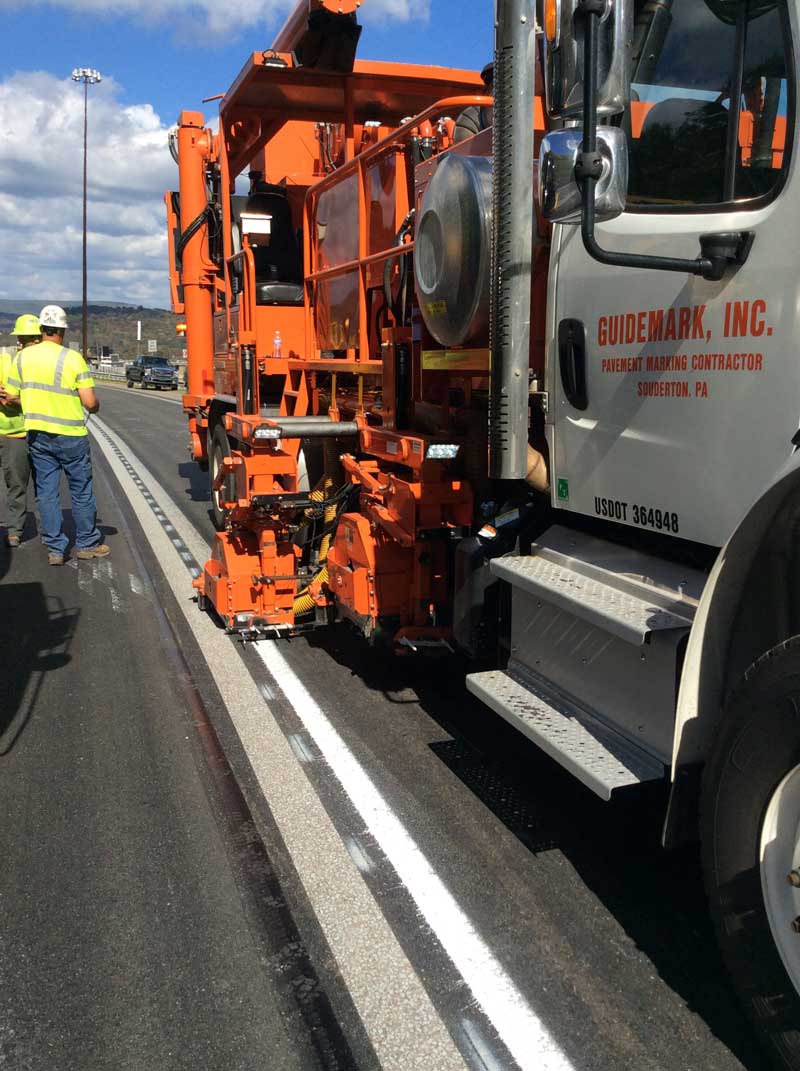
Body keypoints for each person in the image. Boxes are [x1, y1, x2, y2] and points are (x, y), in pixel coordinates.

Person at [5, 305, 109, 566]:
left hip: (38, 435)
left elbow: (11, 396)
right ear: (62, 330)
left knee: (47, 492)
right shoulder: (72, 359)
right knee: (81, 491)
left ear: (42, 330)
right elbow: (89, 402)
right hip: (71, 435)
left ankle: (55, 548)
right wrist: (95, 406)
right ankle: (86, 544)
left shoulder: (22, 358)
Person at [0, 316, 38, 547]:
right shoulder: (6, 361)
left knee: (20, 483)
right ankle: (14, 529)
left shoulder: (37, 365)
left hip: (26, 431)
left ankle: (17, 529)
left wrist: (18, 400)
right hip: (13, 433)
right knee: (16, 483)